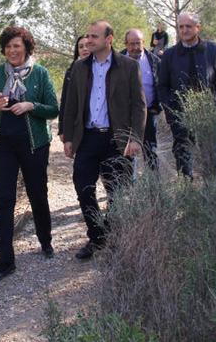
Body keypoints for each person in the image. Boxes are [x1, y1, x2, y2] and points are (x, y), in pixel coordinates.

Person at [62, 20, 146, 260]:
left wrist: (135, 138)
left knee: (117, 192)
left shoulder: (128, 66)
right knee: (83, 187)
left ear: (109, 39)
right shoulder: (79, 68)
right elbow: (71, 105)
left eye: (94, 36)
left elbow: (139, 106)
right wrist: (68, 137)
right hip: (87, 138)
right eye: (87, 36)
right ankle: (97, 237)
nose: (88, 41)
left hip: (116, 139)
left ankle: (115, 236)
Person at [0, 26, 59, 282]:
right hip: (1, 145)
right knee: (4, 200)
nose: (12, 51)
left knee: (38, 193)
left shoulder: (40, 74)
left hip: (34, 144)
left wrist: (30, 105)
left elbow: (53, 109)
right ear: (3, 49)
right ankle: (6, 261)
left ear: (26, 48)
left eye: (17, 46)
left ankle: (45, 241)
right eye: (8, 46)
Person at [157, 12, 216, 180]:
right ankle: (187, 190)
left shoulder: (213, 50)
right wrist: (172, 113)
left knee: (212, 156)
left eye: (188, 26)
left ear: (198, 28)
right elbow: (162, 87)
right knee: (183, 156)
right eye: (181, 27)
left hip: (208, 114)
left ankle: (214, 191)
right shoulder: (169, 55)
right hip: (180, 116)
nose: (184, 30)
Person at [122, 29, 161, 174]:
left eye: (138, 43)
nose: (135, 47)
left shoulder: (154, 61)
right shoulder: (117, 61)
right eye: (131, 44)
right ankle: (128, 188)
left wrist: (158, 107)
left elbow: (161, 85)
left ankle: (154, 187)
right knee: (127, 152)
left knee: (150, 150)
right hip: (124, 116)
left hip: (149, 114)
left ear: (143, 43)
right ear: (126, 44)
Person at [58, 35, 90, 142]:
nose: (84, 49)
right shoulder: (71, 72)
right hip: (78, 124)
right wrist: (62, 129)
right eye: (81, 47)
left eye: (87, 45)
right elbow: (65, 101)